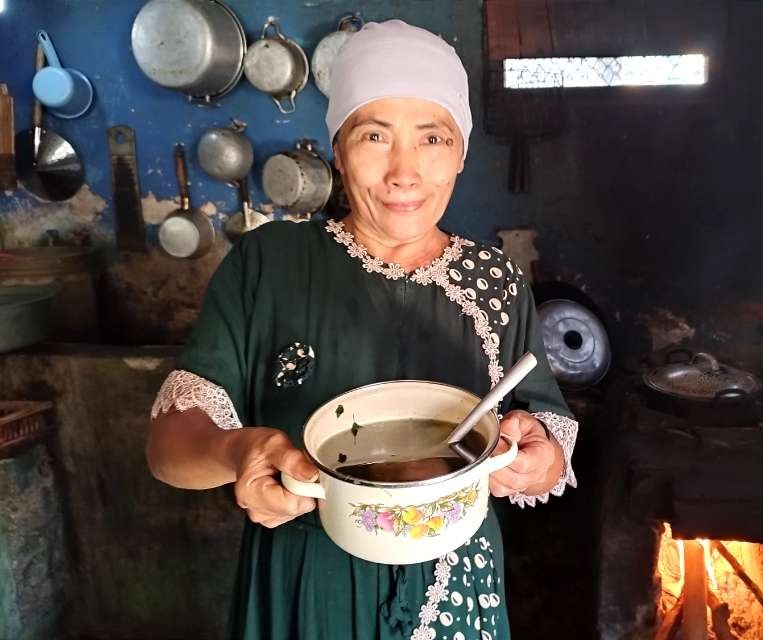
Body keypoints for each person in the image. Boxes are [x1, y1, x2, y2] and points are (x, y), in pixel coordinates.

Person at [145, 19, 578, 640]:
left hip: (456, 586)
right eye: (375, 135)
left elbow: (545, 431)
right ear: (339, 151)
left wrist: (538, 458)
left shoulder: (497, 280)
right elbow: (169, 446)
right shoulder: (271, 265)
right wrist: (236, 451)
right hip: (307, 582)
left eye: (432, 138)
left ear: (460, 152)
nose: (405, 172)